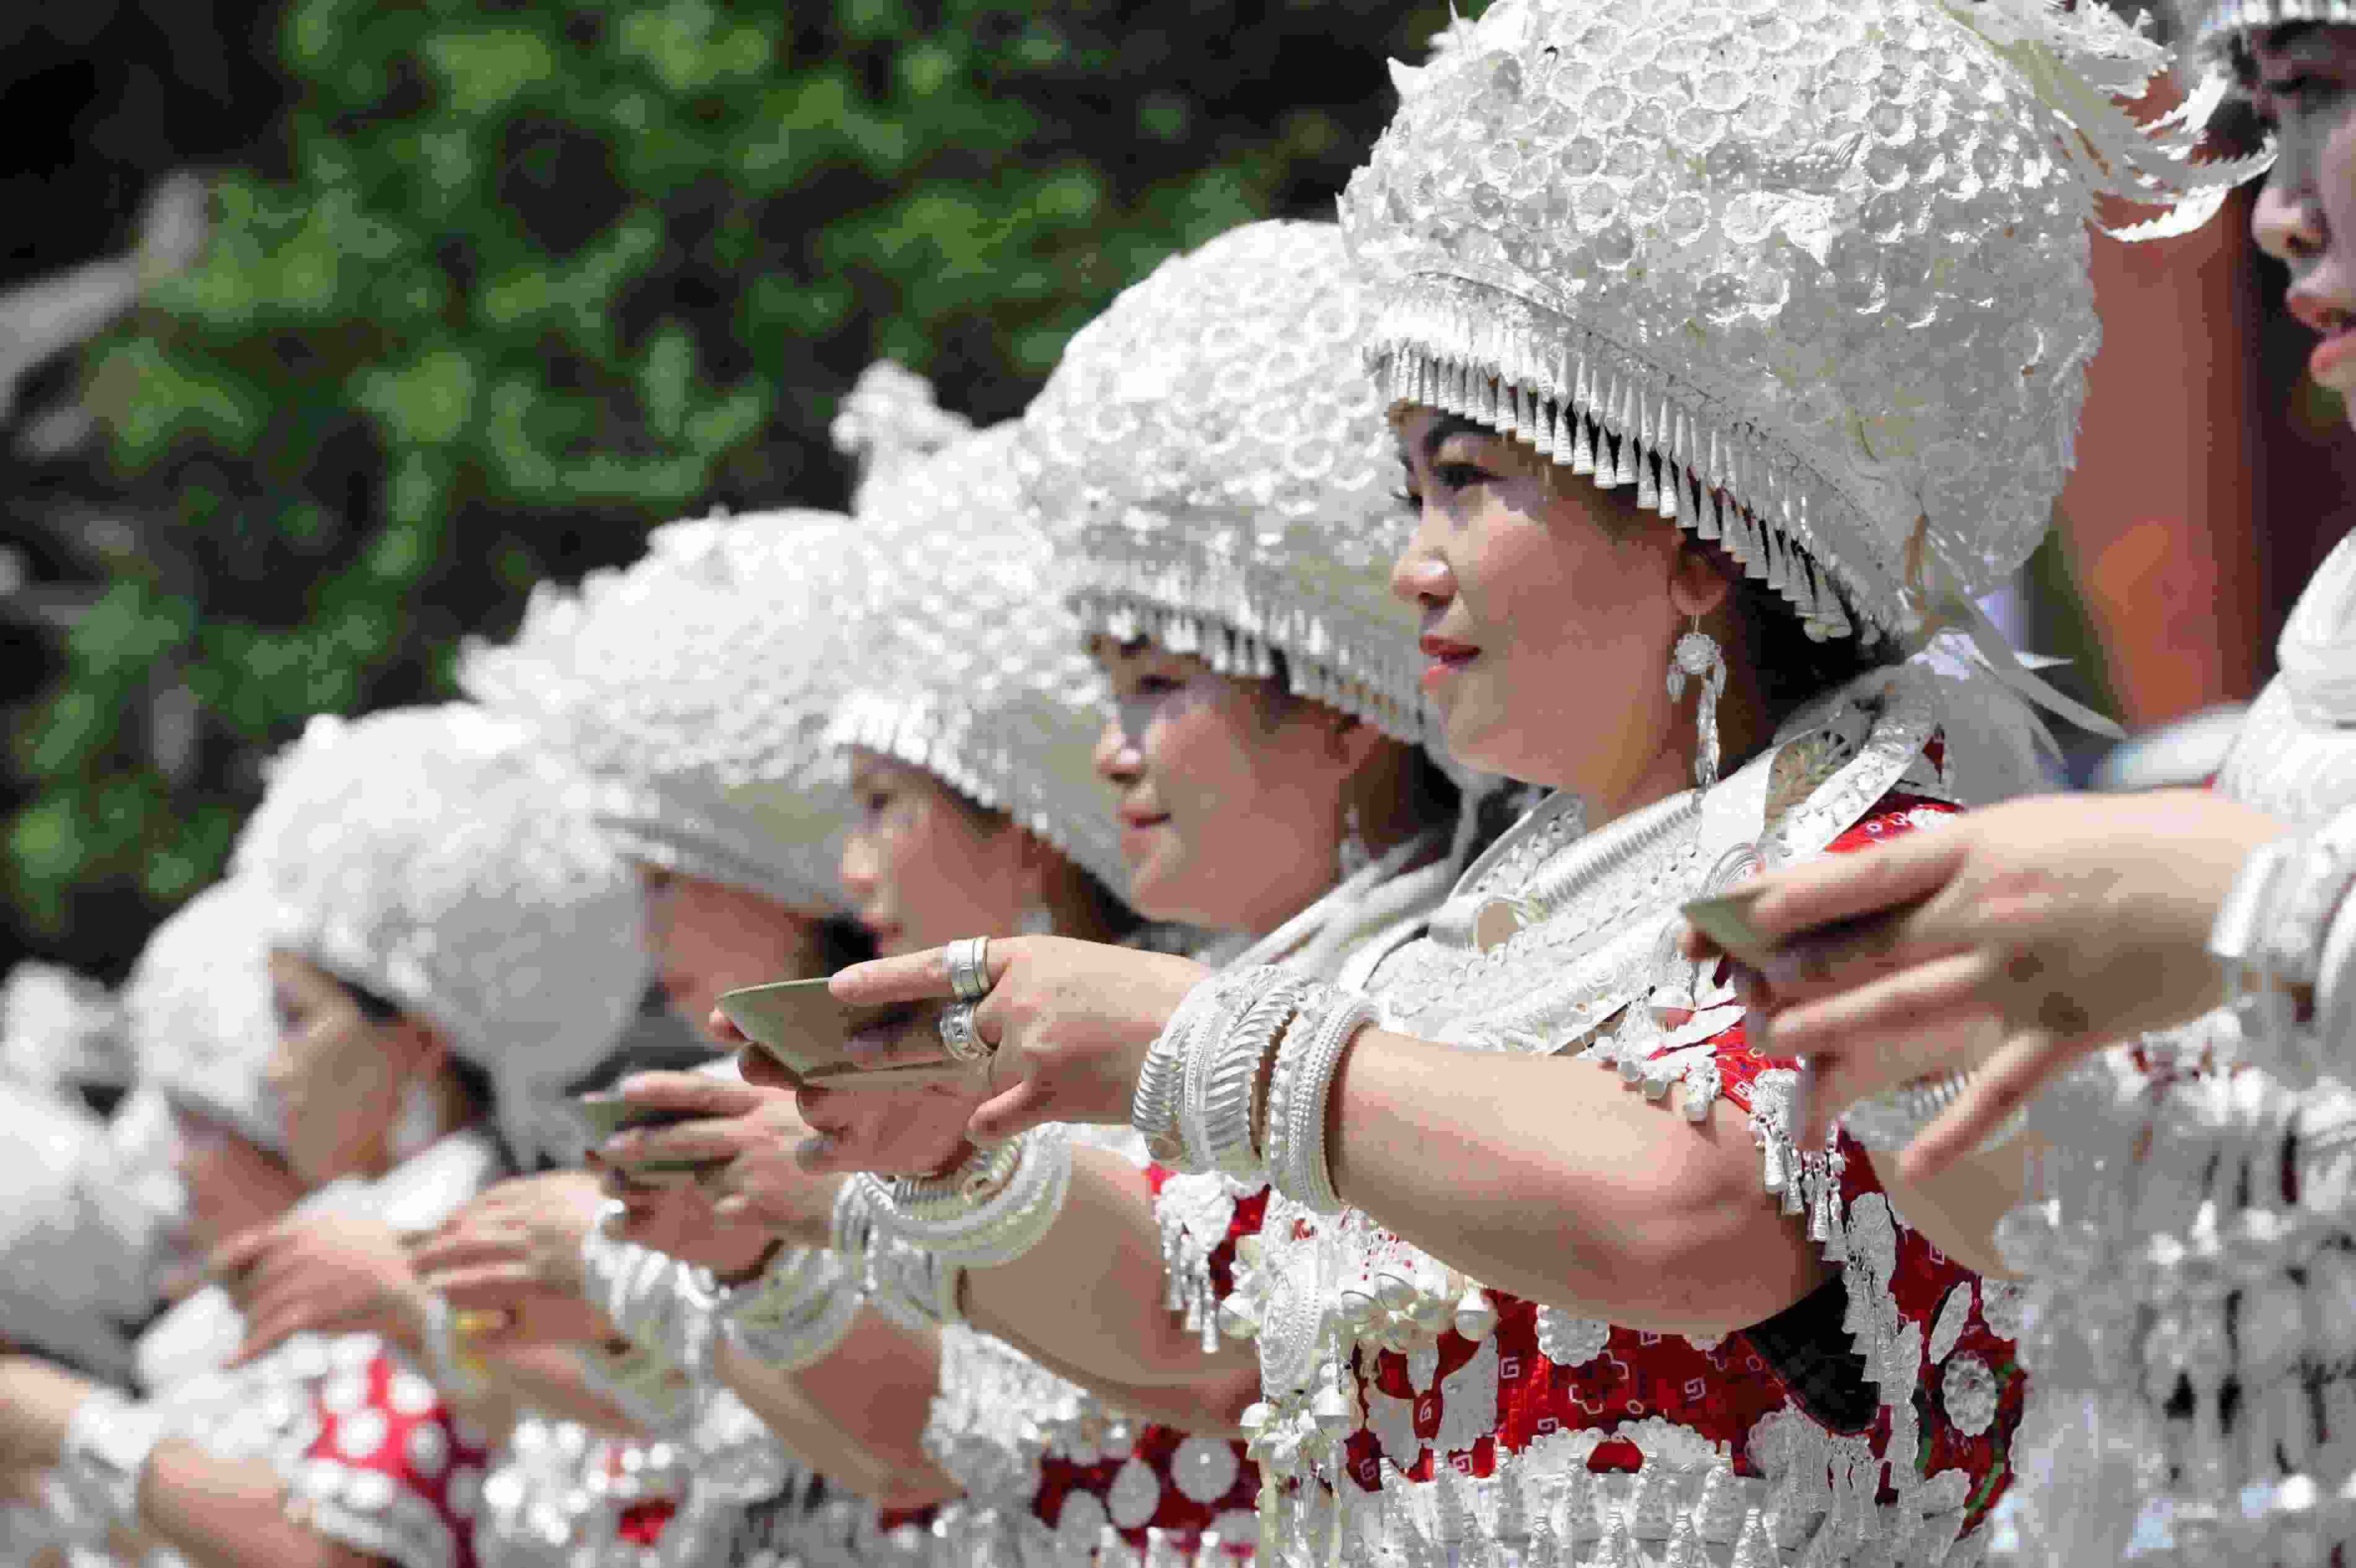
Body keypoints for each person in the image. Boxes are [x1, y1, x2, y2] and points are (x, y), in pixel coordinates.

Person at [800, 2, 2240, 1561]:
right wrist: (954, 1157)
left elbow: (1698, 1211)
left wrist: (1198, 1041)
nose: (1411, 566)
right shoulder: (1451, 953)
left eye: (1469, 484)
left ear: (1693, 537)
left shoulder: (1877, 869)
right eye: (1409, 493)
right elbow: (1188, 1320)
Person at [1673, 4, 2356, 1559]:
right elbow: (2220, 1241)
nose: (2276, 209)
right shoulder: (2321, 663)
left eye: (2317, 93)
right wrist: (1932, 1043)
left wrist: (2250, 909)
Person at [0, 706, 649, 1568]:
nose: (273, 1068)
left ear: (417, 1042)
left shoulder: (451, 1246)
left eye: (297, 1018)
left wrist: (69, 1427)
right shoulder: (398, 1229)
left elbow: (354, 1548)